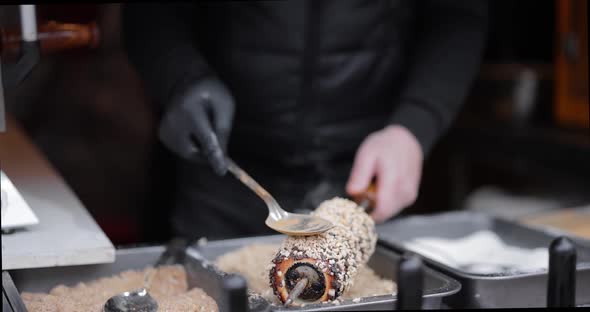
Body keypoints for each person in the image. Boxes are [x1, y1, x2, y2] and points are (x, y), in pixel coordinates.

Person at [122, 1, 488, 240]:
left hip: (361, 169)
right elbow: (149, 13)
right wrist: (179, 77)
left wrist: (413, 125)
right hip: (224, 167)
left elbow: (458, 17)